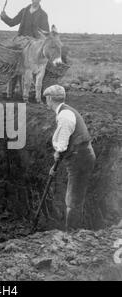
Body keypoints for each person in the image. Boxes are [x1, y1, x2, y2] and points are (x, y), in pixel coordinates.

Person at [43, 85, 96, 231]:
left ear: (49, 99)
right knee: (76, 196)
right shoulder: (66, 111)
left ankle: (71, 233)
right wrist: (56, 162)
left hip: (80, 157)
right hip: (82, 154)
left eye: (46, 99)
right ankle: (74, 229)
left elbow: (62, 146)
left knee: (73, 198)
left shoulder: (64, 116)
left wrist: (56, 160)